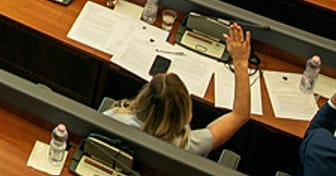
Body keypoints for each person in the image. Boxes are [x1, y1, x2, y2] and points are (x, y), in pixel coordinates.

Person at [103, 23, 253, 156]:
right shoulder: (187, 147)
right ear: (184, 111)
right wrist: (240, 63)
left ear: (142, 98)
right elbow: (240, 114)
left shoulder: (113, 119)